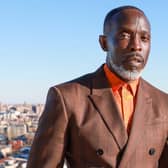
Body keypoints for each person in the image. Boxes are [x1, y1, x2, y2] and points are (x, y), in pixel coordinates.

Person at [27, 5, 168, 168]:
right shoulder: (67, 98)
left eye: (144, 38)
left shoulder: (163, 104)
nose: (136, 46)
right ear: (104, 43)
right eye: (124, 35)